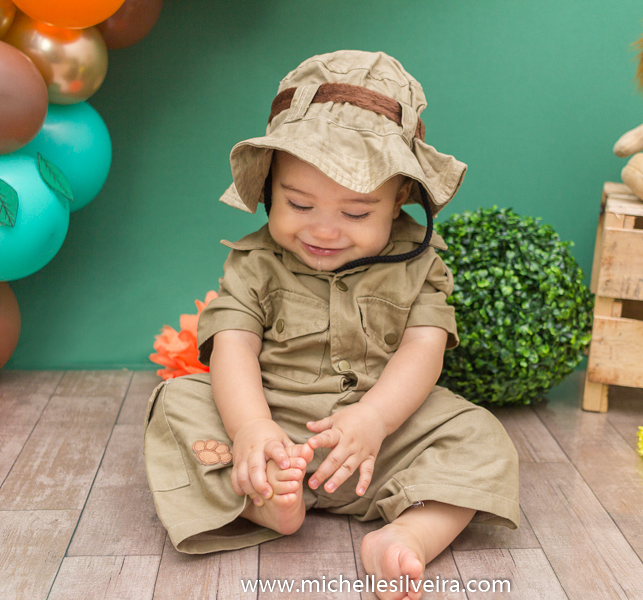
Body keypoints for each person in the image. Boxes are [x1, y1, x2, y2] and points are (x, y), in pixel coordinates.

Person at [144, 50, 519, 600]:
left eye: (356, 212)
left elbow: (424, 349)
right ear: (270, 187)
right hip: (273, 424)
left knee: (481, 438)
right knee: (177, 404)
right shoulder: (255, 263)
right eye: (299, 204)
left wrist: (374, 418)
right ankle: (269, 500)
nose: (324, 230)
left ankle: (408, 535)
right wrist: (250, 427)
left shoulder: (421, 263)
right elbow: (234, 348)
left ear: (401, 200)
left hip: (382, 436)